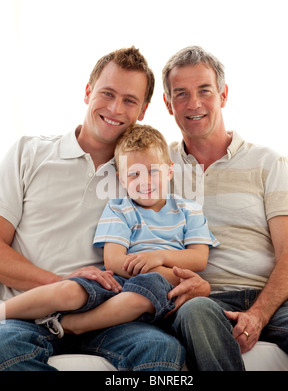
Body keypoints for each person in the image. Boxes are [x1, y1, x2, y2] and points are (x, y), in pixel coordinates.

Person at [0, 46, 186, 371]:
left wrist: (195, 281)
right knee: (5, 347)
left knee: (161, 348)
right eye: (107, 93)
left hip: (107, 315)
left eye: (129, 100)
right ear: (88, 92)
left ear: (142, 110)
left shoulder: (145, 175)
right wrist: (60, 285)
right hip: (29, 312)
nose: (115, 108)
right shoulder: (29, 153)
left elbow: (173, 244)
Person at [1, 124, 217, 337]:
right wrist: (170, 275)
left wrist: (158, 257)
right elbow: (113, 261)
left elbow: (199, 258)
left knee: (146, 293)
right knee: (70, 289)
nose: (145, 181)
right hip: (120, 280)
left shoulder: (190, 209)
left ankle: (73, 325)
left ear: (169, 170)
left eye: (153, 171)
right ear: (121, 179)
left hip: (157, 288)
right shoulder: (119, 208)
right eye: (134, 175)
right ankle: (4, 311)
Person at [161, 45, 288, 370]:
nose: (193, 103)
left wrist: (258, 313)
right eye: (181, 94)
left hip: (274, 298)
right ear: (168, 104)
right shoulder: (157, 167)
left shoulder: (268, 162)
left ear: (223, 95)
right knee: (196, 311)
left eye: (204, 91)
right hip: (204, 300)